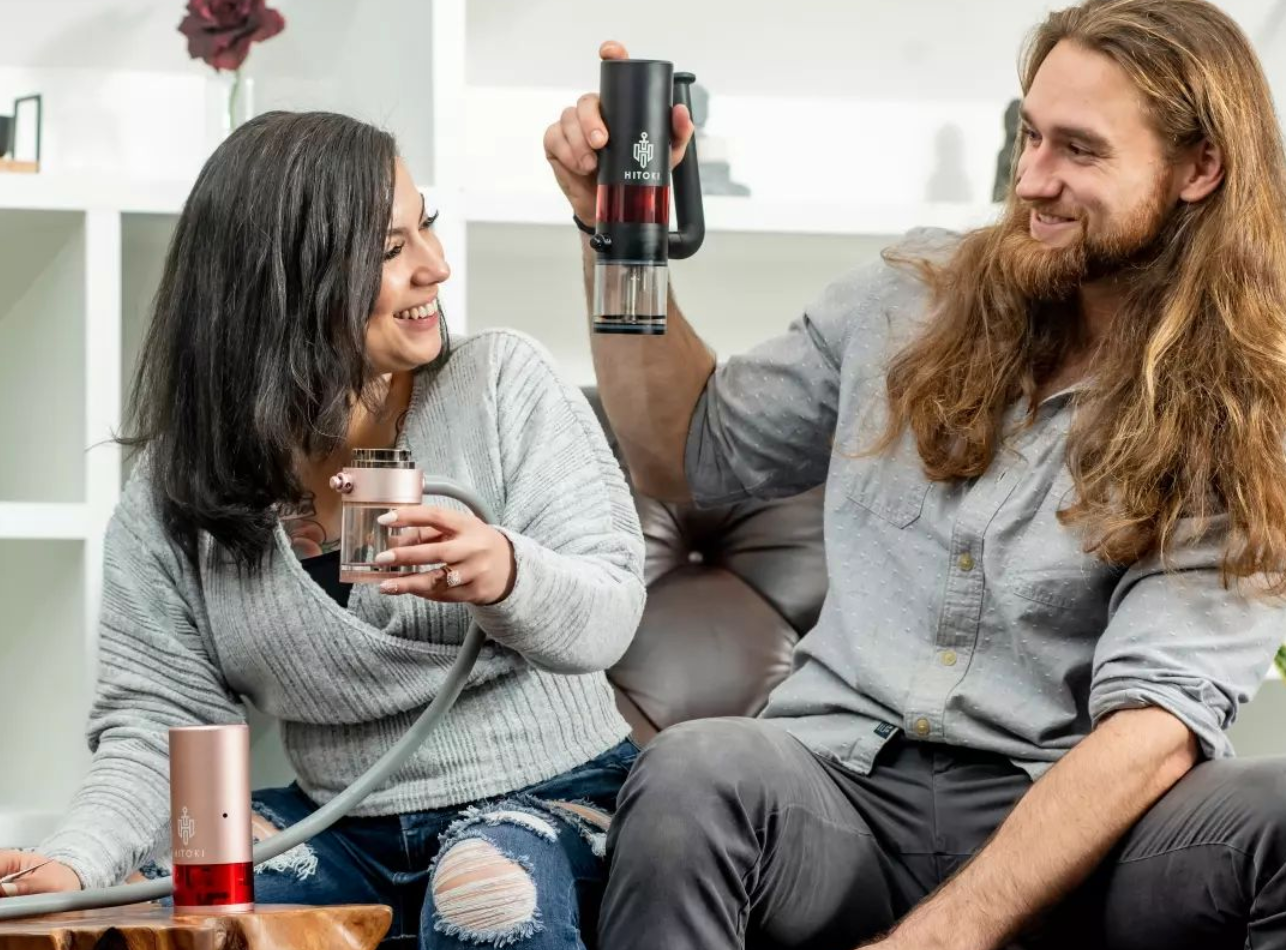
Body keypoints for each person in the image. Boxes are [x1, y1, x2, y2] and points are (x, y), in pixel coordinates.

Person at [543, 1, 1286, 947]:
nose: (1032, 179)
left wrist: (940, 937)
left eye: (1079, 150)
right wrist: (616, 231)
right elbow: (683, 453)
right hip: (837, 790)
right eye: (1030, 135)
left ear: (1199, 169)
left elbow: (1156, 722)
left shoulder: (1248, 406)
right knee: (694, 772)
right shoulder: (907, 300)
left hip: (1075, 818)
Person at [0, 110, 646, 950]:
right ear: (284, 282)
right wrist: (72, 864)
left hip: (547, 799)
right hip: (339, 823)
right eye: (391, 248)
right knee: (183, 916)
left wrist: (506, 573)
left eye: (426, 227)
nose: (437, 266)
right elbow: (159, 724)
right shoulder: (177, 485)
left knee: (484, 896)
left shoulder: (499, 383)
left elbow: (610, 610)